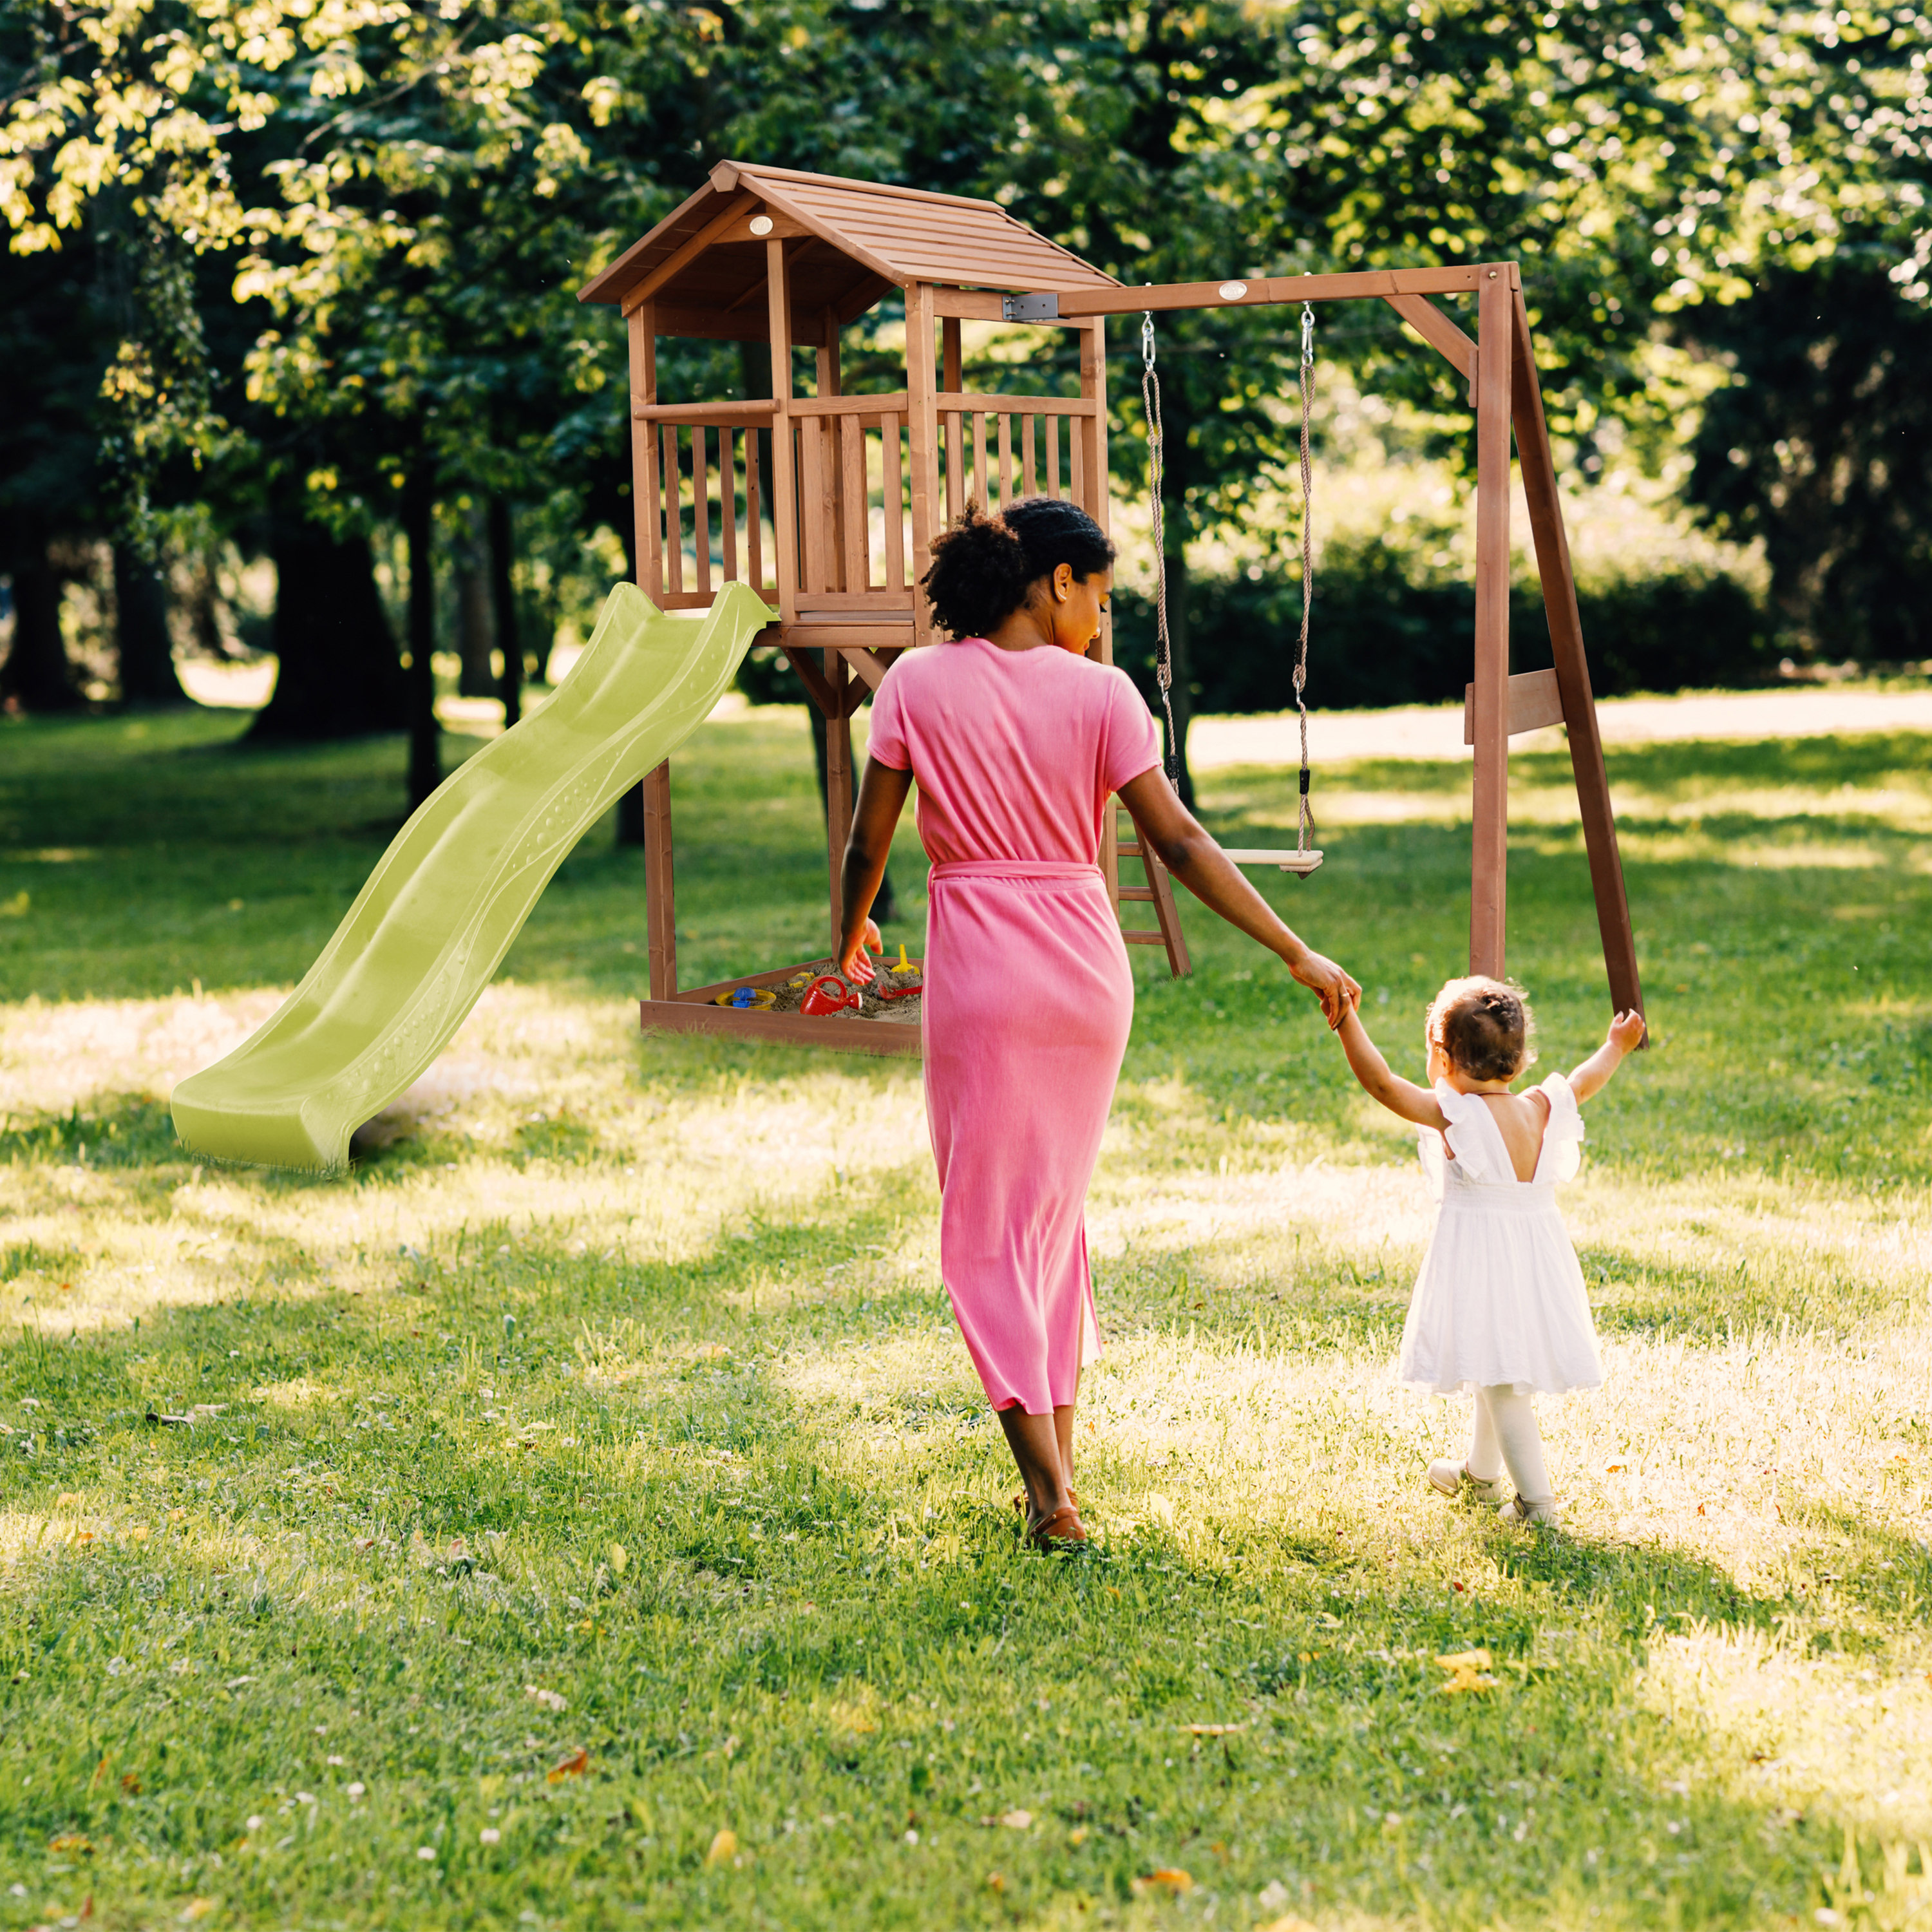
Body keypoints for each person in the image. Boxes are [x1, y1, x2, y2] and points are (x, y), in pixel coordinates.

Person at [837, 498, 1359, 1549]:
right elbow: (1179, 843)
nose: (1103, 622)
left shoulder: (914, 684)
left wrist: (846, 940)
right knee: (1047, 1224)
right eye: (1101, 598)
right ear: (1056, 581)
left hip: (983, 975)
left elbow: (868, 844)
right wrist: (1292, 948)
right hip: (1085, 975)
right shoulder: (1106, 696)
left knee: (987, 1233)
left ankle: (1048, 1496)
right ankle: (1058, 1478)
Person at [1330, 974, 1646, 1525]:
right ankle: (1480, 1475)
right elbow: (1584, 1079)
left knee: (1502, 1384)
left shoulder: (1457, 1116)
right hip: (1535, 1261)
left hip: (1484, 1263)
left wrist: (1345, 1019)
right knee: (1490, 1362)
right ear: (1519, 1062)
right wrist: (1615, 1046)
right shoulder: (1541, 1106)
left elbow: (1381, 1084)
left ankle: (1537, 1506)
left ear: (1443, 1058)